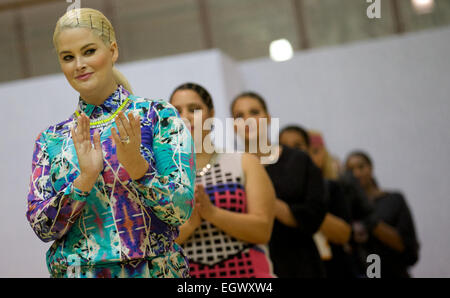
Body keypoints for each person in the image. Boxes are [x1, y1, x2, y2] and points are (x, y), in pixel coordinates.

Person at [26, 8, 195, 278]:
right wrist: (84, 180)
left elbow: (181, 210)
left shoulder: (157, 116)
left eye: (89, 51)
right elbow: (43, 228)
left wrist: (138, 167)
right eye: (68, 57)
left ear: (113, 51)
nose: (79, 64)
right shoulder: (52, 139)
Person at [171, 83, 276, 278]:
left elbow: (263, 231)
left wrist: (212, 214)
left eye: (194, 109)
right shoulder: (164, 174)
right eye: (177, 111)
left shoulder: (244, 162)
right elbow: (157, 246)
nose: (185, 116)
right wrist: (191, 225)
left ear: (210, 115)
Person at [231, 92, 327, 278]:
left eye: (254, 112)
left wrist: (265, 200)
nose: (247, 120)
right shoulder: (230, 167)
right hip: (251, 267)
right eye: (239, 116)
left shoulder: (298, 160)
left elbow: (314, 215)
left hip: (300, 262)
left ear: (267, 118)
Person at [345, 151, 420, 278]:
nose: (356, 173)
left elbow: (408, 247)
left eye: (361, 167)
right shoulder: (346, 206)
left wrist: (372, 223)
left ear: (371, 168)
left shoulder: (394, 200)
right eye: (351, 169)